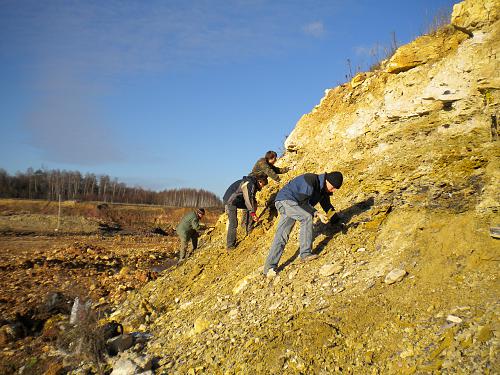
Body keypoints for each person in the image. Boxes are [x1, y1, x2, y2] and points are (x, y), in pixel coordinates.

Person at [263, 171, 343, 276]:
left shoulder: (323, 191)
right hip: (286, 201)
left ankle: (269, 268)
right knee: (306, 217)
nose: (333, 190)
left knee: (281, 235)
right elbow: (303, 203)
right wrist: (317, 213)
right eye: (332, 187)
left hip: (290, 204)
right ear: (327, 180)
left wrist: (336, 221)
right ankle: (305, 254)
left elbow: (328, 206)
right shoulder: (310, 181)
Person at [223, 175, 268, 249]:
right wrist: (253, 213)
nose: (262, 187)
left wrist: (254, 207)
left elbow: (252, 199)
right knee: (233, 223)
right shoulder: (249, 184)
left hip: (236, 200)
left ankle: (248, 228)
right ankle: (230, 245)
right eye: (262, 185)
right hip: (230, 201)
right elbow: (248, 199)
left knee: (252, 205)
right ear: (259, 181)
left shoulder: (253, 184)